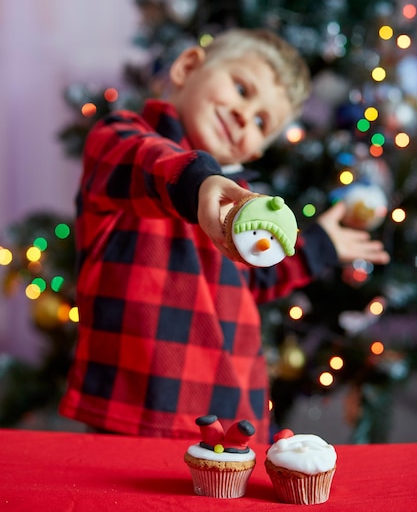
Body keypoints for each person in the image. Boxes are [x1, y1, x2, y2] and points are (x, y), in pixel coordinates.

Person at [59, 29, 389, 443]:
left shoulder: (244, 207)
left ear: (253, 153)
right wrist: (199, 183)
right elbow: (145, 161)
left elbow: (257, 275)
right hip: (133, 409)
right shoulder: (120, 139)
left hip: (230, 419)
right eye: (240, 88)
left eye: (260, 122)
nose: (241, 115)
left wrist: (320, 245)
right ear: (187, 67)